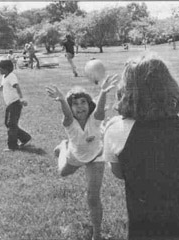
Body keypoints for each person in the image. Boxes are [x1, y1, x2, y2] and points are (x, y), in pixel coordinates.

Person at [103, 54, 179, 240]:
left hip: (146, 221)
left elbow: (119, 173)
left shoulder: (116, 128)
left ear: (128, 88)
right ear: (168, 85)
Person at [46, 74, 118, 240]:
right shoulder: (69, 123)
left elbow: (100, 110)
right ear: (71, 108)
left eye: (83, 102)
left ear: (88, 104)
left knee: (93, 197)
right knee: (63, 173)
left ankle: (97, 234)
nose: (80, 107)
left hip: (96, 157)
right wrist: (63, 101)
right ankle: (63, 147)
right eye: (75, 104)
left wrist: (103, 92)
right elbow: (67, 115)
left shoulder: (95, 119)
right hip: (75, 155)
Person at [0, 60, 31, 151]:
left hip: (15, 103)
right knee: (9, 124)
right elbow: (1, 87)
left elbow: (17, 87)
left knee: (11, 124)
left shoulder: (11, 76)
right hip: (10, 104)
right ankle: (25, 138)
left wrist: (22, 99)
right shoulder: (5, 77)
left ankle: (12, 146)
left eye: (0, 68)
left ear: (6, 69)